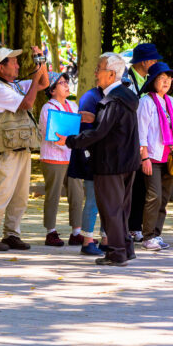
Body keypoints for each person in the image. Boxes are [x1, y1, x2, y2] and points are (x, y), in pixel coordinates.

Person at [56, 52, 140, 266]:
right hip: (127, 161)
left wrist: (71, 140)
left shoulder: (113, 100)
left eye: (99, 69)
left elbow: (100, 132)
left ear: (111, 75)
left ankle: (116, 252)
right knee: (121, 208)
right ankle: (126, 248)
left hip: (111, 162)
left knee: (111, 208)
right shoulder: (127, 97)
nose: (96, 73)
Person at [0, 47, 49, 251]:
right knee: (2, 193)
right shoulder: (0, 89)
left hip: (20, 147)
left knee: (20, 195)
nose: (18, 65)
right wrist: (35, 78)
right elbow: (27, 103)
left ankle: (11, 234)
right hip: (6, 150)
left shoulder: (15, 86)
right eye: (14, 62)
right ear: (2, 68)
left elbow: (44, 82)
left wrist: (40, 61)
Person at [136, 62, 173, 251]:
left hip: (170, 157)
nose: (167, 81)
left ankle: (157, 234)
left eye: (169, 79)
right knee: (154, 196)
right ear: (153, 81)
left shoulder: (172, 102)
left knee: (165, 197)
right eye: (162, 78)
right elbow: (141, 132)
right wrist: (144, 157)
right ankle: (148, 236)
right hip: (153, 157)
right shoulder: (146, 102)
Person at [39, 72, 84, 247]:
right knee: (53, 194)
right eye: (61, 83)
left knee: (77, 193)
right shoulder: (47, 108)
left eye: (67, 82)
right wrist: (70, 142)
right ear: (51, 89)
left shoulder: (73, 106)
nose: (66, 85)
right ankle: (50, 231)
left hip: (71, 157)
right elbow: (51, 135)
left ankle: (76, 232)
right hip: (53, 157)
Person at [124, 43, 163, 243]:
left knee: (142, 185)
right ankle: (130, 226)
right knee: (132, 185)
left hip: (144, 139)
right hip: (130, 140)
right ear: (145, 62)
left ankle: (136, 226)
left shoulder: (149, 80)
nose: (155, 63)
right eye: (154, 60)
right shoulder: (127, 79)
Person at [67, 68, 108, 256]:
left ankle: (106, 238)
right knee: (92, 200)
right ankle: (87, 240)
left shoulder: (110, 96)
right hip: (93, 157)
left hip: (108, 157)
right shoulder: (91, 97)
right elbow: (85, 131)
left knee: (108, 201)